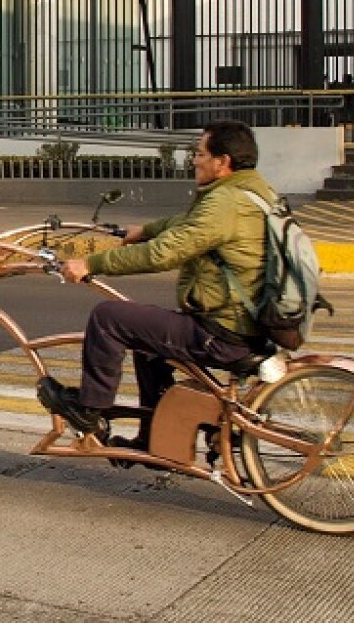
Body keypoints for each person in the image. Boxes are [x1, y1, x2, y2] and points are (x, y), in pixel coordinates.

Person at [40, 119, 274, 451]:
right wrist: (147, 229)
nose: (194, 160)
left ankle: (88, 409)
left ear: (223, 162)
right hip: (245, 324)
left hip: (223, 331)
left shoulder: (226, 202)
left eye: (201, 153)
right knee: (149, 349)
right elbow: (189, 224)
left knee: (110, 318)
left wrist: (90, 264)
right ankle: (154, 440)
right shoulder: (250, 192)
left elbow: (164, 254)